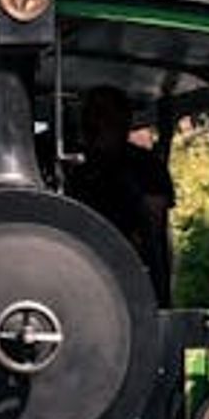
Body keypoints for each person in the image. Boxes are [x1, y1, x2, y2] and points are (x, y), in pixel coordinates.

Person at [69, 85, 176, 304]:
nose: (93, 124)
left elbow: (154, 218)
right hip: (84, 270)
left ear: (122, 122)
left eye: (102, 116)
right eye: (90, 116)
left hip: (135, 274)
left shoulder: (146, 165)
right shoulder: (78, 170)